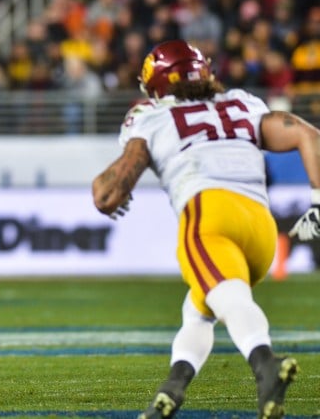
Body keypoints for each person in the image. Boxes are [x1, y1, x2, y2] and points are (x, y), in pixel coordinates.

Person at [92, 39, 305, 418]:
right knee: (199, 309)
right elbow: (303, 136)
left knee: (229, 299)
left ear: (156, 84)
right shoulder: (244, 102)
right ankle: (171, 389)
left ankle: (265, 362)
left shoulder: (151, 116)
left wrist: (115, 183)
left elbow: (108, 194)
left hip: (209, 214)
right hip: (260, 226)